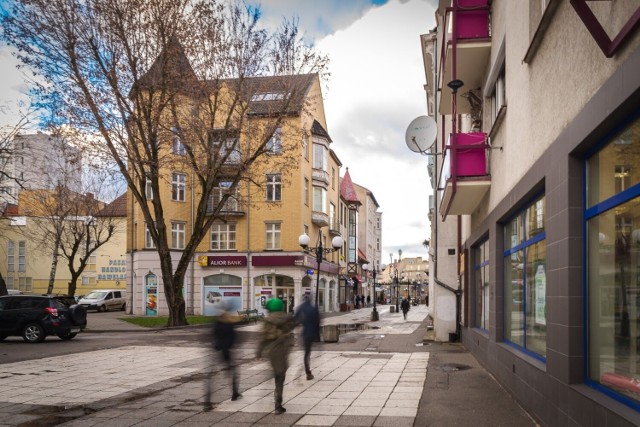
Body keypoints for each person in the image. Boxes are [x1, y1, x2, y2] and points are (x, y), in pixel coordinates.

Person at [257, 297, 295, 415]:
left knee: (277, 375)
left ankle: (278, 403)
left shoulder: (268, 320)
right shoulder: (287, 318)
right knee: (281, 375)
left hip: (273, 350)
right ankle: (278, 403)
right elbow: (291, 329)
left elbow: (263, 337)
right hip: (284, 350)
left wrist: (258, 351)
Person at [204, 301, 241, 411]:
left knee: (212, 377)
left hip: (217, 349)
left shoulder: (217, 321)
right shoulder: (229, 322)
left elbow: (212, 335)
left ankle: (207, 401)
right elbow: (233, 337)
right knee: (233, 371)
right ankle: (234, 393)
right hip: (225, 351)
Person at [293, 296, 320, 380]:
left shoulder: (301, 307)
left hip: (305, 333)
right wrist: (317, 334)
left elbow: (295, 319)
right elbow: (317, 322)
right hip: (312, 333)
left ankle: (308, 371)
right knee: (308, 352)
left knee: (306, 353)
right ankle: (308, 372)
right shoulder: (313, 308)